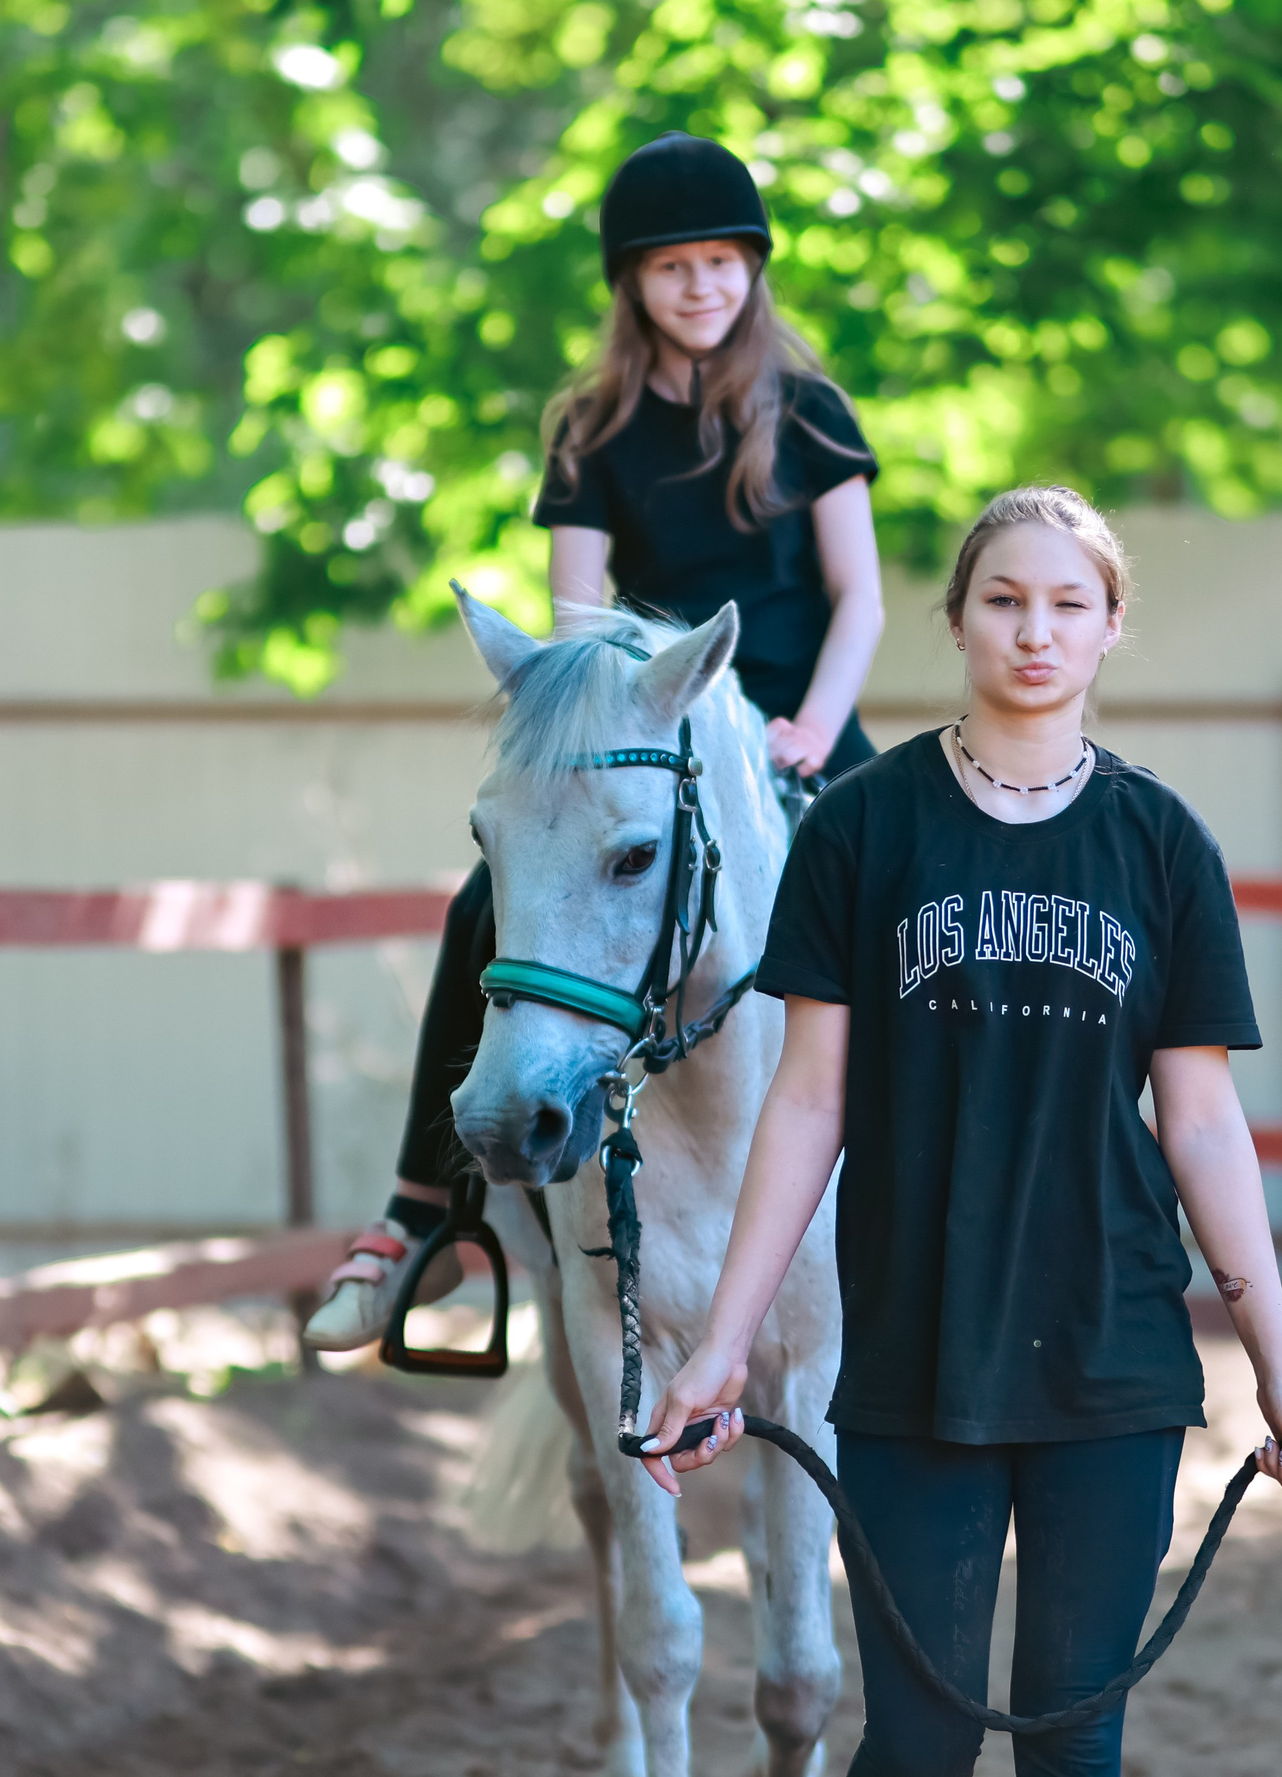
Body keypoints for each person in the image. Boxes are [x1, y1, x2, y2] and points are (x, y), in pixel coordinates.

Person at [639, 485, 1282, 1777]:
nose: (1036, 629)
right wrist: (721, 1345)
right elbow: (807, 1102)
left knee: (1078, 1738)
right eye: (1005, 599)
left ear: (1109, 629)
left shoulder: (1160, 844)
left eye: (1068, 603)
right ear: (958, 619)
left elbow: (1201, 1117)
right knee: (919, 1741)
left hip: (1114, 1351)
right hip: (917, 1352)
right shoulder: (866, 827)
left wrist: (1279, 1359)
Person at [305, 130, 884, 1350]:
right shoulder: (592, 428)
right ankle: (419, 1216)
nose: (700, 285)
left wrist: (816, 727)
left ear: (752, 269)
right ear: (632, 281)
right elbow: (578, 619)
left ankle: (950, 1195)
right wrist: (606, 716)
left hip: (794, 725)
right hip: (643, 724)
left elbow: (860, 597)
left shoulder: (811, 412)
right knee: (484, 906)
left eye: (721, 261)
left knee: (918, 891)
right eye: (672, 266)